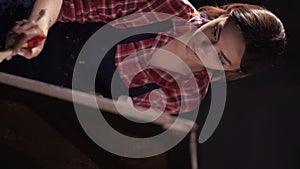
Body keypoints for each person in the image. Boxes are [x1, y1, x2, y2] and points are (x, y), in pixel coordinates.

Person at [5, 0, 286, 114]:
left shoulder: (185, 95)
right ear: (220, 16)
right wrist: (39, 25)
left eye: (221, 59)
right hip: (18, 30)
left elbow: (106, 124)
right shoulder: (167, 6)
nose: (203, 46)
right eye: (214, 32)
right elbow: (65, 3)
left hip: (28, 102)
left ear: (233, 72)